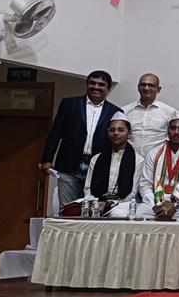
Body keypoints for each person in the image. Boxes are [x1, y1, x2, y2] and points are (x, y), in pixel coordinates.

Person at [40, 70, 123, 207]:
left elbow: (117, 140)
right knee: (68, 209)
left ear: (108, 89)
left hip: (98, 168)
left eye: (101, 84)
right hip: (68, 165)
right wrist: (47, 159)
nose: (96, 87)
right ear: (87, 84)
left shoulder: (115, 111)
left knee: (93, 209)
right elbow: (55, 132)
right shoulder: (69, 104)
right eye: (92, 83)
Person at [134, 117, 179, 221]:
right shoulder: (154, 153)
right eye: (172, 128)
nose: (176, 132)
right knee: (139, 214)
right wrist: (155, 205)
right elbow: (145, 184)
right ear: (167, 130)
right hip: (155, 203)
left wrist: (175, 206)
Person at [77, 112, 142, 217]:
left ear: (129, 134)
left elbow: (132, 193)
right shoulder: (96, 159)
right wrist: (95, 204)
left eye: (121, 130)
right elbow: (88, 189)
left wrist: (108, 204)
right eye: (112, 130)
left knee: (117, 214)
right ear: (107, 133)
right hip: (97, 203)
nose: (116, 133)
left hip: (123, 205)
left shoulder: (138, 160)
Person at [121, 73, 176, 158]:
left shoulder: (169, 111)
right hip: (130, 158)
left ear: (158, 89)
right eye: (143, 85)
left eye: (151, 85)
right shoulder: (125, 111)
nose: (146, 88)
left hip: (157, 159)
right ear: (138, 87)